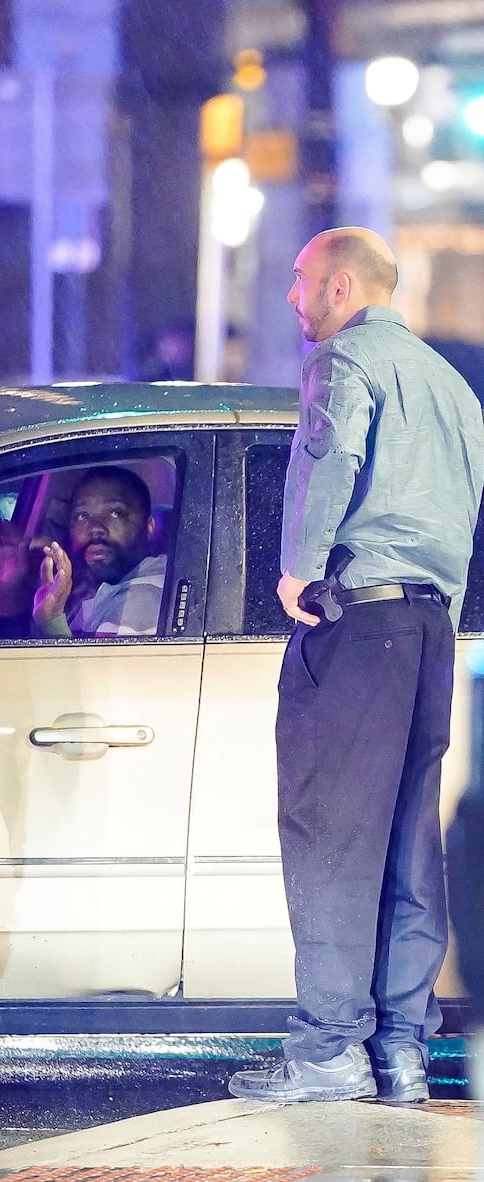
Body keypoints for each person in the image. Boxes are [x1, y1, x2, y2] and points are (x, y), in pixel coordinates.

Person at [229, 227, 484, 1105]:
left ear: (340, 288)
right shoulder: (453, 385)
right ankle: (401, 1050)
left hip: (361, 622)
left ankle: (329, 1052)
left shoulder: (343, 364)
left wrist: (299, 564)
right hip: (429, 632)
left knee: (333, 839)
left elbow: (331, 455)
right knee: (410, 845)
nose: (292, 300)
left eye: (299, 284)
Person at [0, 466, 166, 637]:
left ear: (149, 527)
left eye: (115, 513)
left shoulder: (143, 596)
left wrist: (52, 622)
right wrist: (8, 592)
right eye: (82, 515)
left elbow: (96, 674)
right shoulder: (96, 589)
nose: (95, 527)